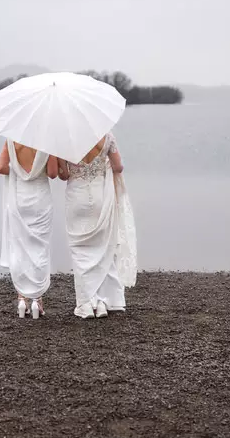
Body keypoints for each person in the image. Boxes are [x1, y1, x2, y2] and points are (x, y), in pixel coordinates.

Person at [59, 132, 137, 319]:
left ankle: (86, 304)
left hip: (77, 197)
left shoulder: (64, 138)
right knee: (103, 248)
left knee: (80, 250)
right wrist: (103, 164)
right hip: (101, 196)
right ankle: (102, 302)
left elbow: (63, 175)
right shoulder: (107, 136)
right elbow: (118, 167)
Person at [0, 140, 59, 318]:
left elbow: (1, 167)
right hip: (40, 200)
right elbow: (53, 173)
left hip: (19, 200)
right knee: (39, 248)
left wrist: (18, 172)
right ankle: (36, 300)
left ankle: (22, 299)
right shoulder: (46, 141)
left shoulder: (11, 140)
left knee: (19, 248)